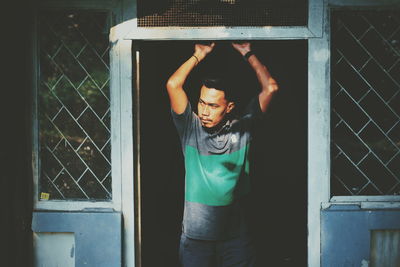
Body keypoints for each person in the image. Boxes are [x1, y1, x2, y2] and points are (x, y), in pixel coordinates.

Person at [166, 41, 278, 267]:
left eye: (213, 106)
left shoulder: (244, 128)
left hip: (235, 239)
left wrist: (248, 53)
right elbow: (173, 84)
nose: (204, 111)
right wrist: (198, 55)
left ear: (229, 107)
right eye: (201, 103)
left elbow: (271, 88)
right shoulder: (190, 128)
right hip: (195, 241)